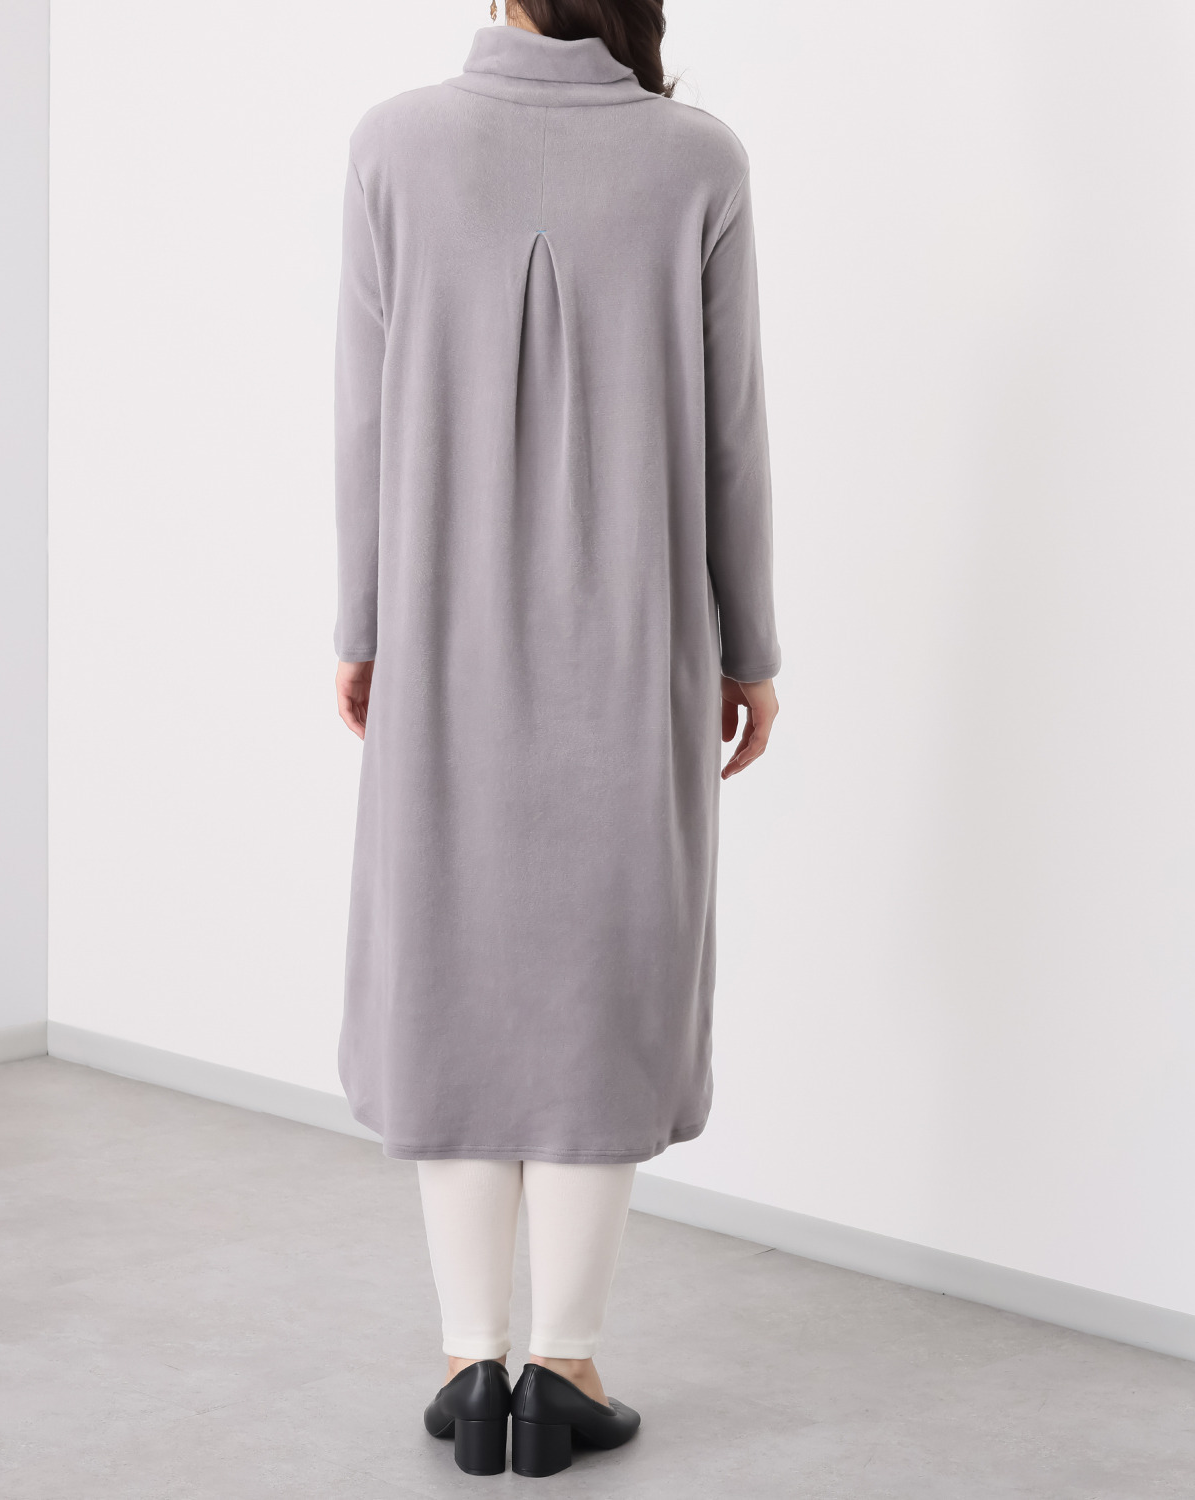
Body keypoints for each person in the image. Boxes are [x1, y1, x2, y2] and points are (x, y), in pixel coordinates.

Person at [331, 0, 780, 1478]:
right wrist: (751, 652)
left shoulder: (395, 147)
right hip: (636, 642)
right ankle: (564, 1369)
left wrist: (362, 627)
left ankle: (473, 1366)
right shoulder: (696, 161)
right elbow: (732, 439)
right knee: (604, 974)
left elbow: (362, 418)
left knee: (451, 967)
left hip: (440, 635)